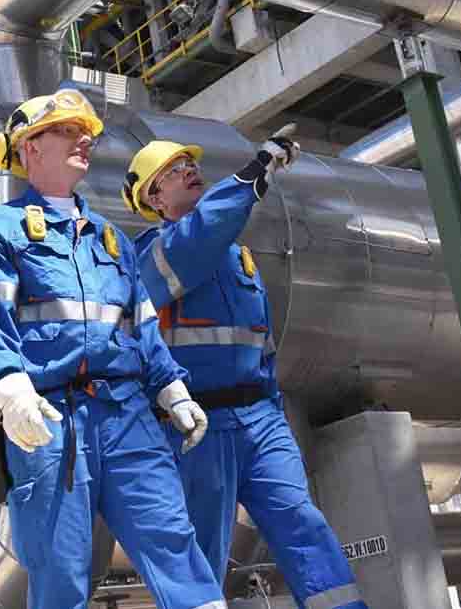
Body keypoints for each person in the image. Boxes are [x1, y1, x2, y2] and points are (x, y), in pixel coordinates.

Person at [0, 88, 226, 609]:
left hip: (127, 414)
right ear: (30, 148)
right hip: (51, 418)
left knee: (173, 542)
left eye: (86, 132)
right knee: (59, 567)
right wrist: (12, 394)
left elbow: (142, 325)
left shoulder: (110, 239)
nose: (84, 139)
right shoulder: (0, 230)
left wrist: (172, 391)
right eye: (66, 130)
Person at [121, 132, 368, 609]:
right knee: (202, 551)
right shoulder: (150, 256)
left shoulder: (238, 257)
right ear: (153, 196)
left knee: (302, 523)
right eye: (173, 170)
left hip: (259, 418)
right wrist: (255, 172)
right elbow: (201, 235)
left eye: (189, 164)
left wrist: (273, 409)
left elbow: (262, 342)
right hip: (196, 427)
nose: (190, 171)